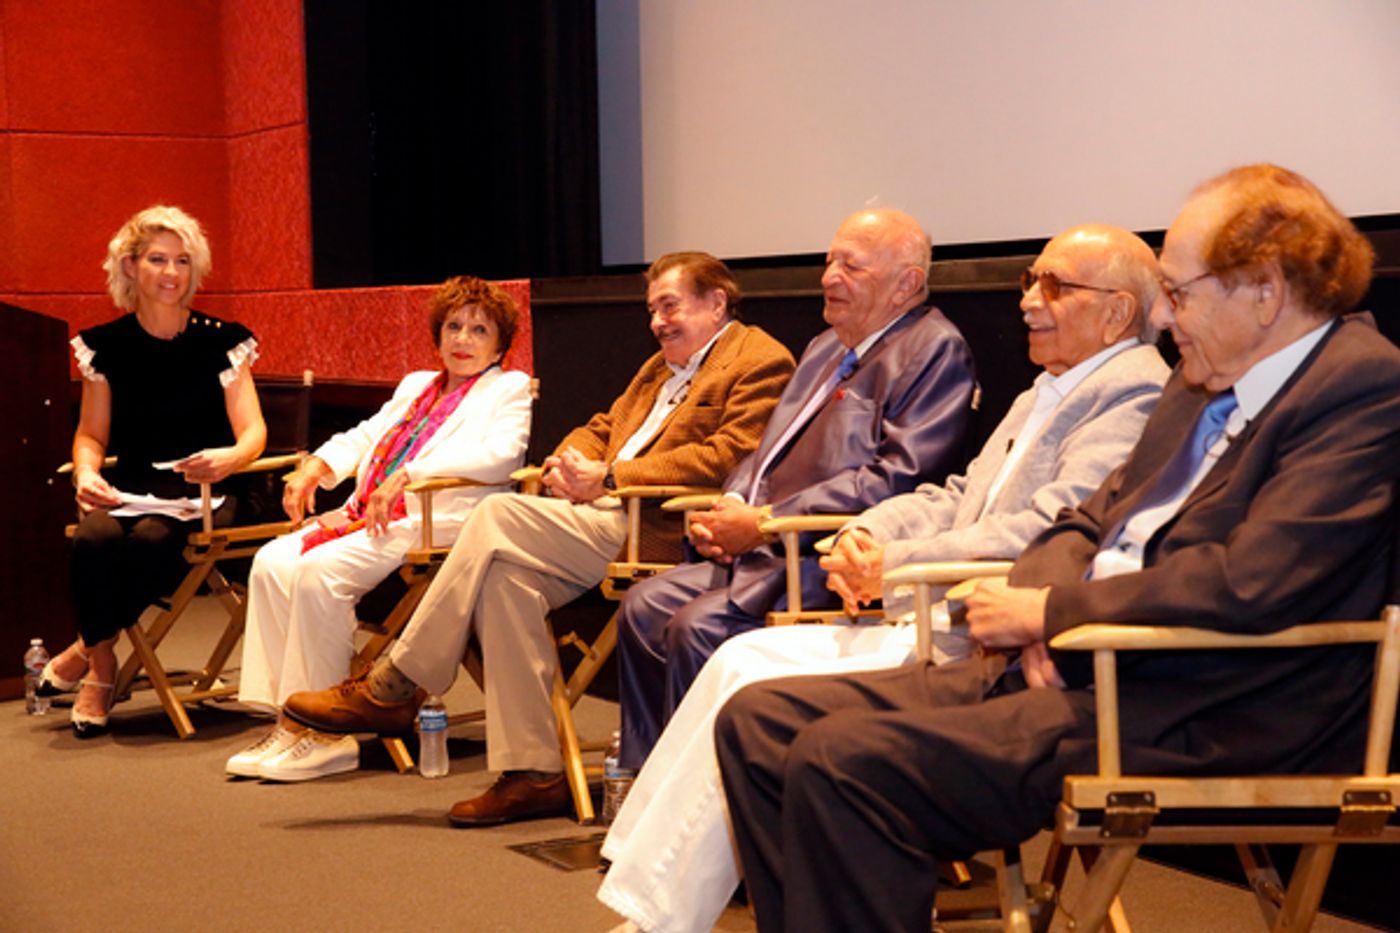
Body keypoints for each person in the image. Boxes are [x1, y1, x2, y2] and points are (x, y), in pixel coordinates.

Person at [715, 164, 1400, 933]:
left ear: (1265, 290)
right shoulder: (1198, 379)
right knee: (758, 722)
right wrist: (1039, 610)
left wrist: (1054, 613)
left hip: (1209, 702)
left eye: (1178, 293)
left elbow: (1254, 580)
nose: (1163, 318)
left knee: (845, 761)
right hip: (1084, 672)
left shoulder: (1361, 386)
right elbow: (1084, 520)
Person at [598, 224, 1171, 933]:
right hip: (923, 601)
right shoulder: (1047, 389)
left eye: (1053, 286)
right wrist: (870, 533)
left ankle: (661, 919)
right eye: (1030, 280)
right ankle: (659, 910)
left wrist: (891, 563)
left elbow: (1049, 529)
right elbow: (959, 495)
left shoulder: (1130, 392)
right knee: (736, 661)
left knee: (744, 673)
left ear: (1116, 312)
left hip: (971, 627)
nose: (1027, 300)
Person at [282, 252, 796, 821]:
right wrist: (568, 461)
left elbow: (730, 455)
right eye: (652, 309)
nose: (657, 322)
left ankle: (396, 683)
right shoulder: (660, 368)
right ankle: (534, 774)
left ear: (716, 302)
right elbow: (602, 427)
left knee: (496, 514)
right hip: (599, 514)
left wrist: (609, 476)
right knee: (505, 581)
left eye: (669, 306)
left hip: (657, 525)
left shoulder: (759, 360)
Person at [613, 207, 975, 772]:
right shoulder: (824, 347)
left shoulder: (934, 348)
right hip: (761, 551)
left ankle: (712, 797)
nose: (829, 277)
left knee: (696, 627)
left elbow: (897, 478)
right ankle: (648, 779)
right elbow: (764, 450)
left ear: (905, 283)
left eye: (851, 266)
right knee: (642, 606)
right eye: (830, 261)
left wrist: (765, 522)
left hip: (821, 558)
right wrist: (732, 504)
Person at [225, 276, 533, 781]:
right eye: (453, 327)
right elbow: (365, 435)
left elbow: (502, 457)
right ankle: (289, 719)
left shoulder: (508, 389)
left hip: (435, 520)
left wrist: (411, 474)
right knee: (272, 561)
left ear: (500, 345)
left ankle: (328, 735)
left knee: (319, 574)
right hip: (372, 512)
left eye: (480, 330)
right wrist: (317, 467)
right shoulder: (417, 385)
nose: (463, 339)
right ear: (437, 335)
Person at [38, 205, 267, 738]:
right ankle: (102, 662)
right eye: (158, 259)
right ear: (130, 266)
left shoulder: (223, 341)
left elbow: (253, 433)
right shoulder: (106, 347)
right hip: (135, 488)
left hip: (208, 491)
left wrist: (231, 458)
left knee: (149, 542)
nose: (172, 272)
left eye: (183, 261)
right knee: (92, 538)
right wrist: (85, 473)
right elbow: (91, 436)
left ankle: (84, 652)